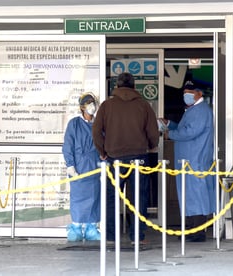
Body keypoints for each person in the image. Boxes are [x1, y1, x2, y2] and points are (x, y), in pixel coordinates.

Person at [92, 72, 159, 244]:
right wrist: (151, 145)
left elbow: (96, 132)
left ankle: (111, 236)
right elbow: (153, 132)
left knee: (112, 197)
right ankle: (137, 236)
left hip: (114, 158)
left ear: (117, 86)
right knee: (138, 198)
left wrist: (103, 151)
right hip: (139, 157)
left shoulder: (107, 106)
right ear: (134, 86)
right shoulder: (144, 106)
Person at [159, 80, 215, 242]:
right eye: (185, 93)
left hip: (195, 159)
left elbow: (191, 132)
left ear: (200, 93)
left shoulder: (202, 110)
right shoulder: (194, 110)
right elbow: (186, 128)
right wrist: (169, 124)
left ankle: (197, 231)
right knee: (189, 195)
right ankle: (191, 228)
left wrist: (172, 134)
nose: (186, 96)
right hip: (189, 159)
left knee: (196, 195)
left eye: (190, 93)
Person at [62, 92, 101, 242]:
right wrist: (70, 165)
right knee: (78, 198)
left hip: (95, 166)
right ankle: (76, 227)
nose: (92, 105)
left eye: (93, 102)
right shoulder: (74, 124)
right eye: (89, 103)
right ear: (82, 107)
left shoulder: (98, 124)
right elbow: (68, 146)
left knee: (94, 197)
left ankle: (92, 227)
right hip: (79, 167)